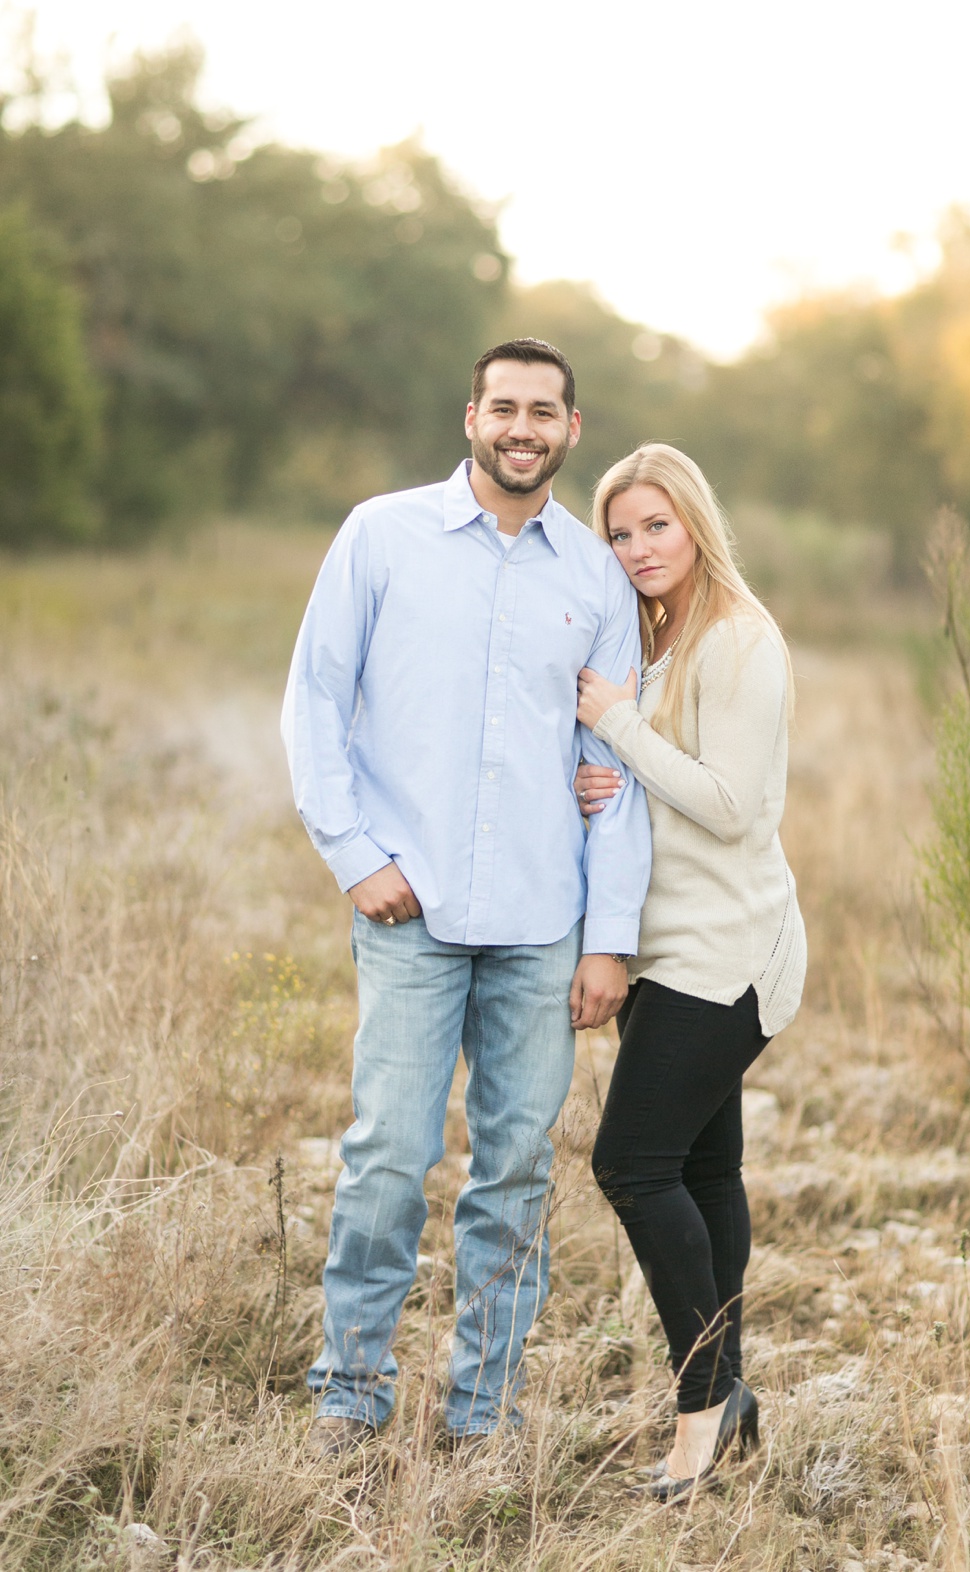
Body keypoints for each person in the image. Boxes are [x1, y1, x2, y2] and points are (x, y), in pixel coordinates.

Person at [282, 339, 651, 1455]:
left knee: (516, 1170)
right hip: (411, 913)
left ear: (570, 430)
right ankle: (350, 1388)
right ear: (470, 418)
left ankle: (483, 1408)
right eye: (504, 407)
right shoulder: (380, 535)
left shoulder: (596, 576)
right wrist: (355, 854)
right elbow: (312, 702)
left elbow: (615, 772)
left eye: (543, 410)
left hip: (545, 925)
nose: (521, 427)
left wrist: (610, 940)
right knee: (388, 1155)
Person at [573, 443, 806, 1501]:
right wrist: (605, 780)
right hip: (669, 947)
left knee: (630, 1164)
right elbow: (659, 783)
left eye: (652, 526)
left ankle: (700, 1401)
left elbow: (726, 800)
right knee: (704, 1174)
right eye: (618, 533)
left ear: (694, 523)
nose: (634, 549)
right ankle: (733, 1391)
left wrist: (613, 726)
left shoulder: (739, 639)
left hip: (726, 952)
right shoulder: (660, 643)